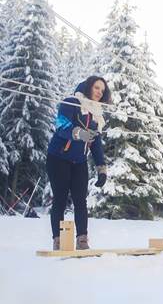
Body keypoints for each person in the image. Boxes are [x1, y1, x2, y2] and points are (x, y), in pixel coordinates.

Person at [46, 76, 111, 250]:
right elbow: (60, 125)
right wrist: (78, 133)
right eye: (97, 88)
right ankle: (58, 240)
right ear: (89, 86)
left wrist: (101, 168)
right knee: (60, 198)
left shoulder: (96, 114)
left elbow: (96, 143)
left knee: (80, 200)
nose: (99, 92)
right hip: (58, 158)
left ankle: (82, 239)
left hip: (79, 161)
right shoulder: (72, 102)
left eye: (102, 90)